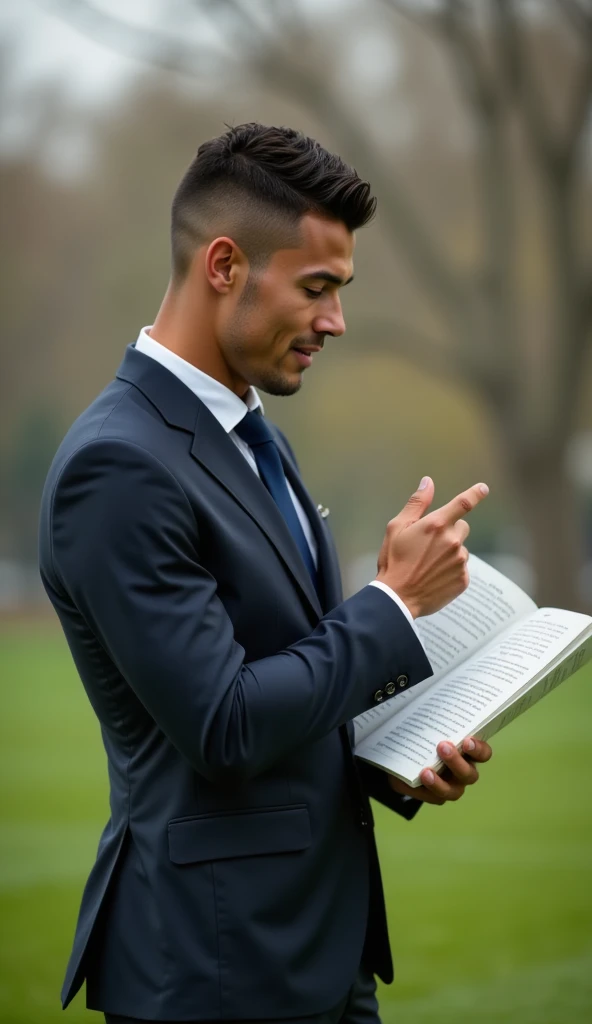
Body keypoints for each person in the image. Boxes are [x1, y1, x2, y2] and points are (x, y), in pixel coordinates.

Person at [39, 123, 493, 1024]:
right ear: (224, 265)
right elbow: (224, 725)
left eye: (342, 290)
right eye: (317, 288)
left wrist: (394, 761)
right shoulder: (117, 466)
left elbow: (289, 675)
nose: (336, 321)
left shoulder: (257, 433)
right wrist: (394, 604)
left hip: (323, 952)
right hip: (212, 970)